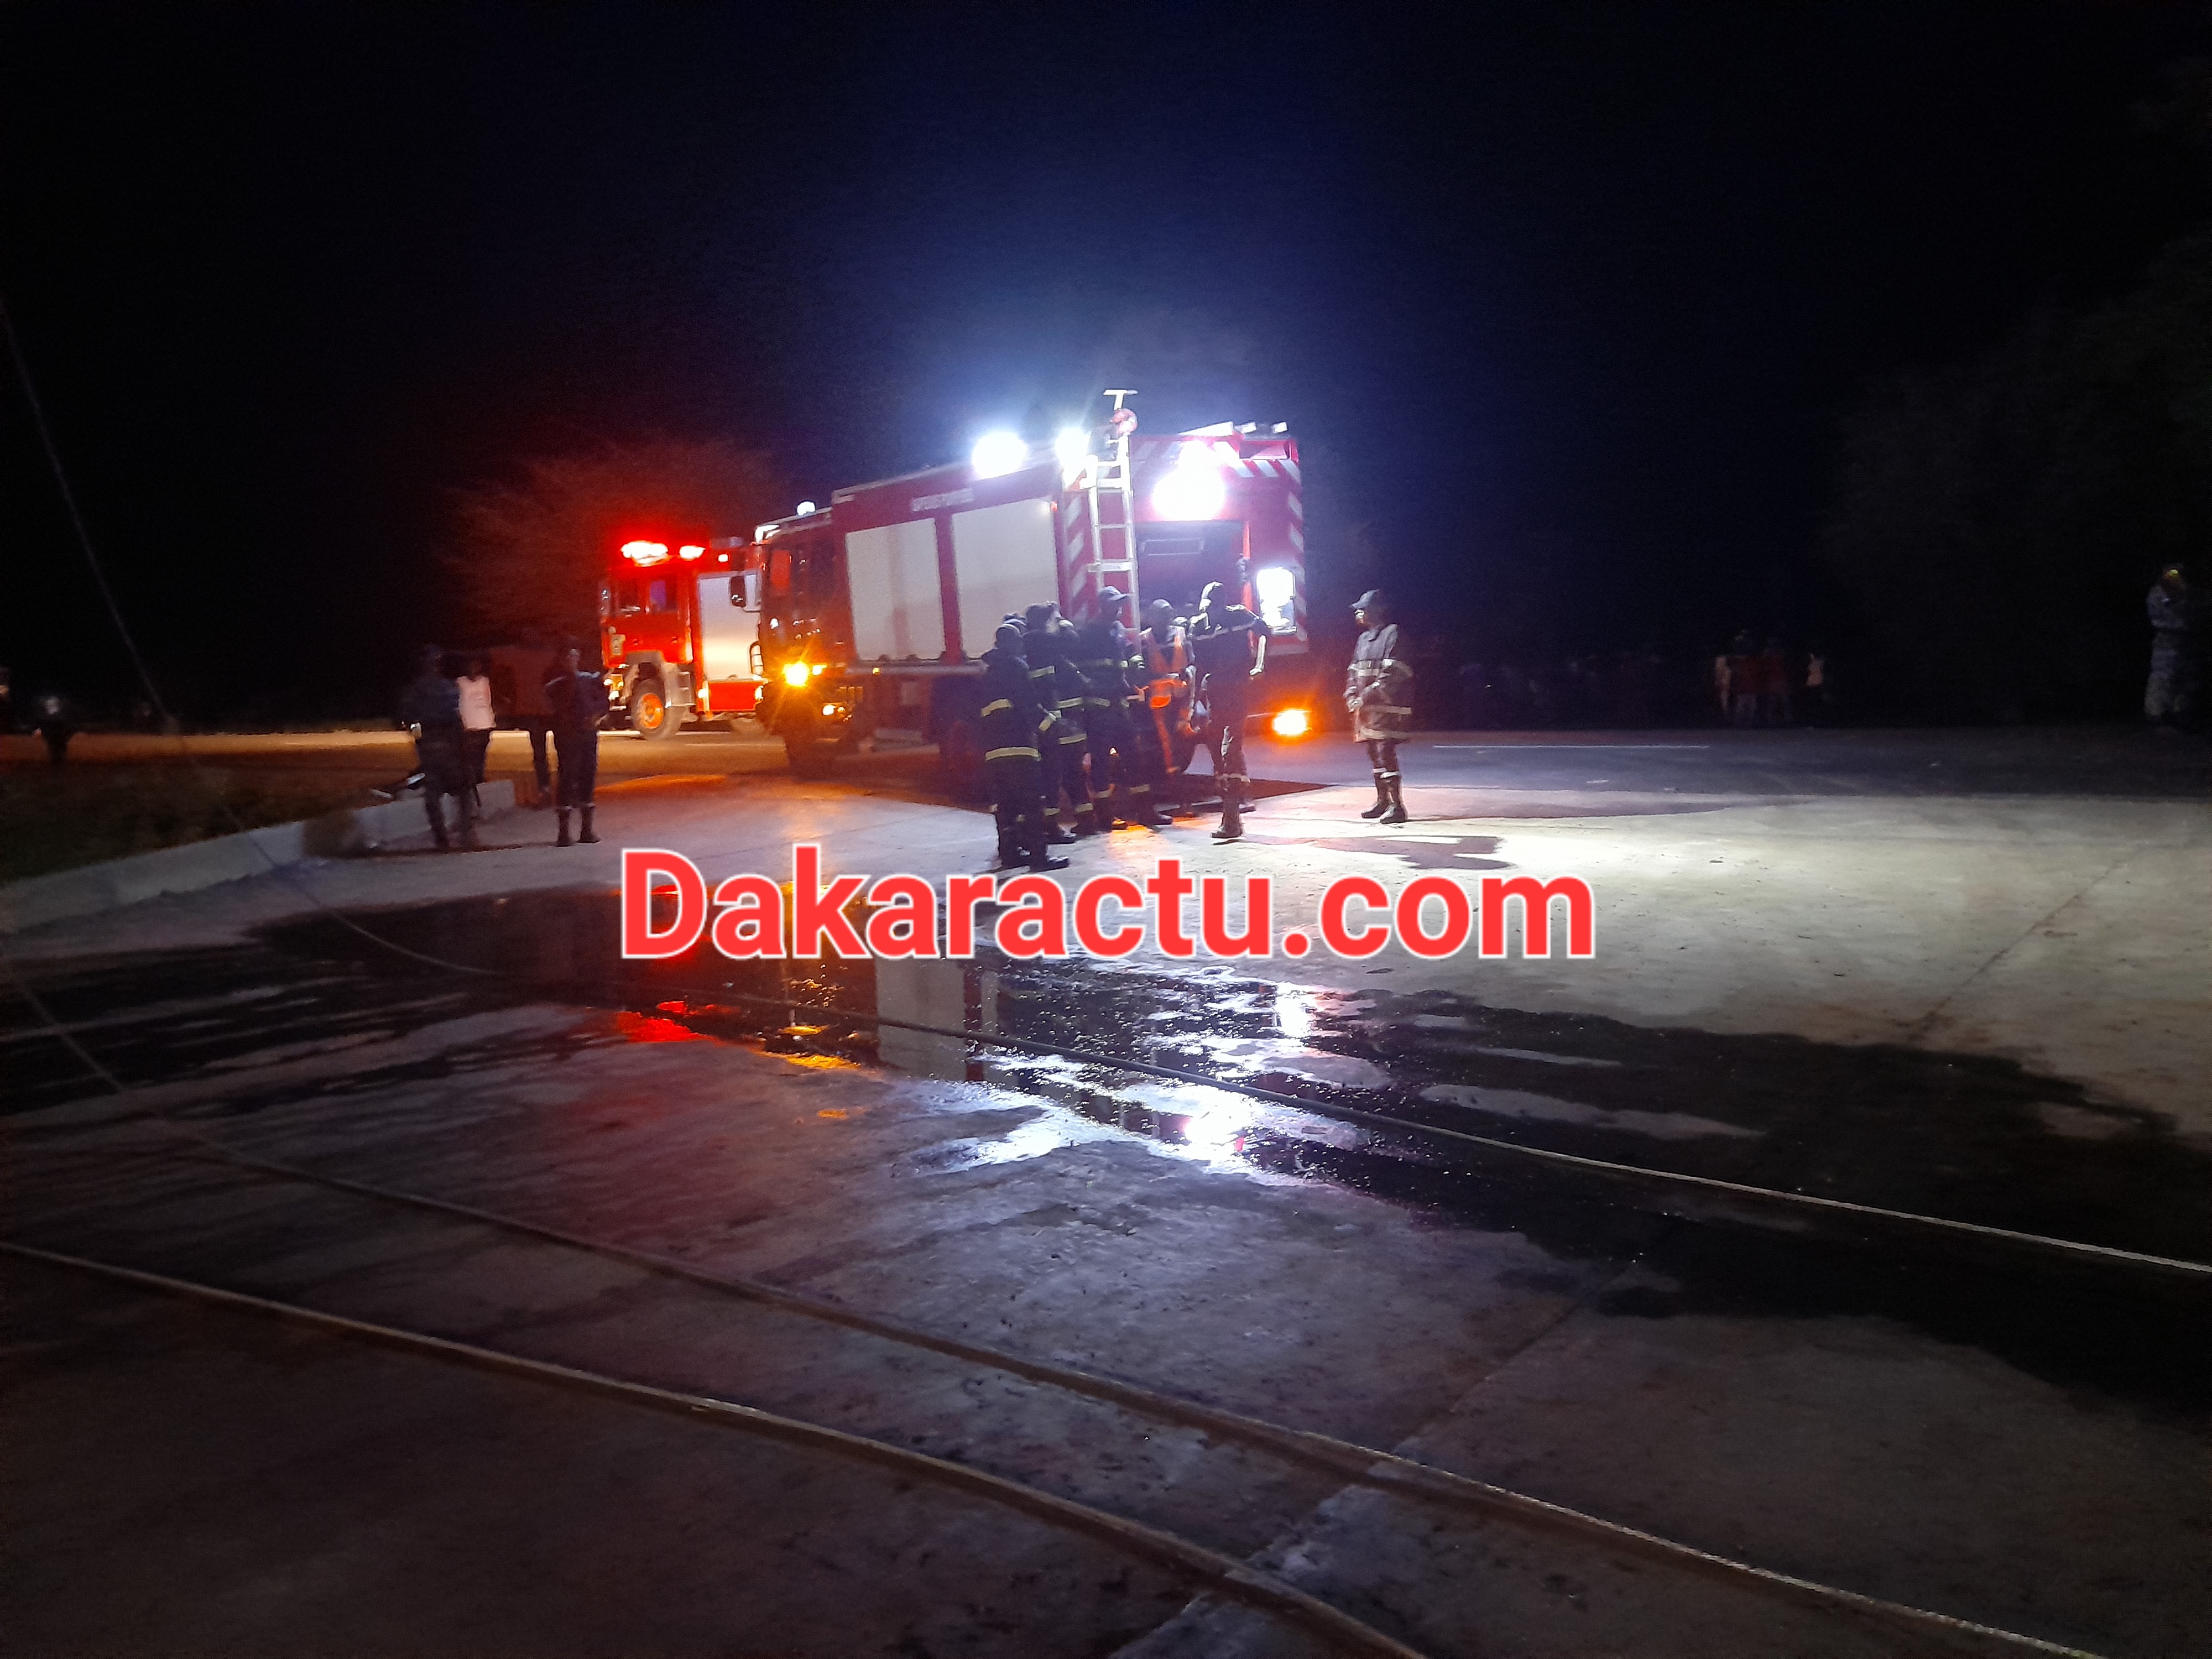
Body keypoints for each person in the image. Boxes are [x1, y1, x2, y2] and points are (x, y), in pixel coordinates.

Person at [979, 620, 1070, 873]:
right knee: (1032, 802)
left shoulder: (988, 672)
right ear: (1009, 643)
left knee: (1006, 804)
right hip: (1019, 747)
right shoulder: (1016, 666)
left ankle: (1010, 854)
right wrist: (1053, 727)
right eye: (1019, 640)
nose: (1022, 645)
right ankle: (1039, 857)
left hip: (994, 751)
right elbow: (1028, 704)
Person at [1074, 586, 1164, 828]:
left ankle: (1146, 812)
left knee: (1134, 758)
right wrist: (1089, 685)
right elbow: (1075, 667)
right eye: (1114, 604)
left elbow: (1125, 658)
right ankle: (1105, 817)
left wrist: (1136, 676)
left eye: (1120, 604)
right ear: (1103, 606)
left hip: (1119, 707)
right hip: (1097, 710)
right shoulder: (1087, 632)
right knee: (1101, 764)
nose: (1119, 609)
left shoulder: (1118, 629)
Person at [1187, 581, 1266, 840]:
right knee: (1218, 755)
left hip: (1237, 690)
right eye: (1209, 608)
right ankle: (1235, 809)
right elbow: (1198, 666)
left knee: (1230, 749)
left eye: (1216, 608)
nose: (1212, 613)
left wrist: (1260, 664)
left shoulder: (1240, 615)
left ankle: (1231, 818)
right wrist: (1193, 703)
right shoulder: (1198, 626)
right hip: (1214, 694)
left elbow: (1264, 632)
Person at [398, 645, 477, 850]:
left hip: (432, 744)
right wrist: (461, 743)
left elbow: (410, 721)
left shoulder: (415, 691)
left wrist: (420, 739)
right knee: (462, 789)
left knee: (434, 793)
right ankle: (464, 833)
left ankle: (442, 837)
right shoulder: (448, 688)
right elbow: (455, 718)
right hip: (449, 743)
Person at [1345, 590, 1412, 824]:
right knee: (1373, 753)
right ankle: (1382, 800)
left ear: (1377, 611)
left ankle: (1397, 806)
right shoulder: (1363, 639)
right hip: (1366, 709)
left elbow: (1395, 671)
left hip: (1387, 707)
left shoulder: (1393, 633)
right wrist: (1351, 694)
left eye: (1363, 608)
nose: (1358, 612)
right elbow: (1353, 670)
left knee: (1385, 752)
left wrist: (1367, 695)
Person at [1020, 603, 1082, 845]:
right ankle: (1051, 829)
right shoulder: (1041, 640)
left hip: (1036, 722)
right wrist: (1061, 619)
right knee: (1051, 776)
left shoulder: (1027, 643)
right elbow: (1071, 641)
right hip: (1047, 722)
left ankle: (1039, 829)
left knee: (1042, 777)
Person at [544, 641, 608, 846]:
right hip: (567, 734)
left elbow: (602, 700)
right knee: (567, 776)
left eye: (574, 656)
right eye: (568, 657)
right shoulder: (555, 678)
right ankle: (563, 833)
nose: (572, 660)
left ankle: (587, 830)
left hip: (588, 732)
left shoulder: (589, 676)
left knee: (588, 774)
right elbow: (558, 703)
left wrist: (596, 716)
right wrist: (571, 677)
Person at [2145, 564, 2198, 730]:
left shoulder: (2182, 592)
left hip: (2182, 642)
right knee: (2161, 677)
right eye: (2171, 573)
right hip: (2165, 641)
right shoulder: (2158, 593)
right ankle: (2156, 714)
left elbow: (2188, 612)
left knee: (2181, 679)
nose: (2174, 576)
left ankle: (2177, 714)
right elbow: (2161, 617)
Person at [456, 652, 495, 802]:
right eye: (471, 665)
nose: (474, 668)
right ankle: (472, 787)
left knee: (480, 759)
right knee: (469, 760)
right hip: (469, 726)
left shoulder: (485, 681)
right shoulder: (460, 682)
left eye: (476, 665)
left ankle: (479, 785)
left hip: (484, 724)